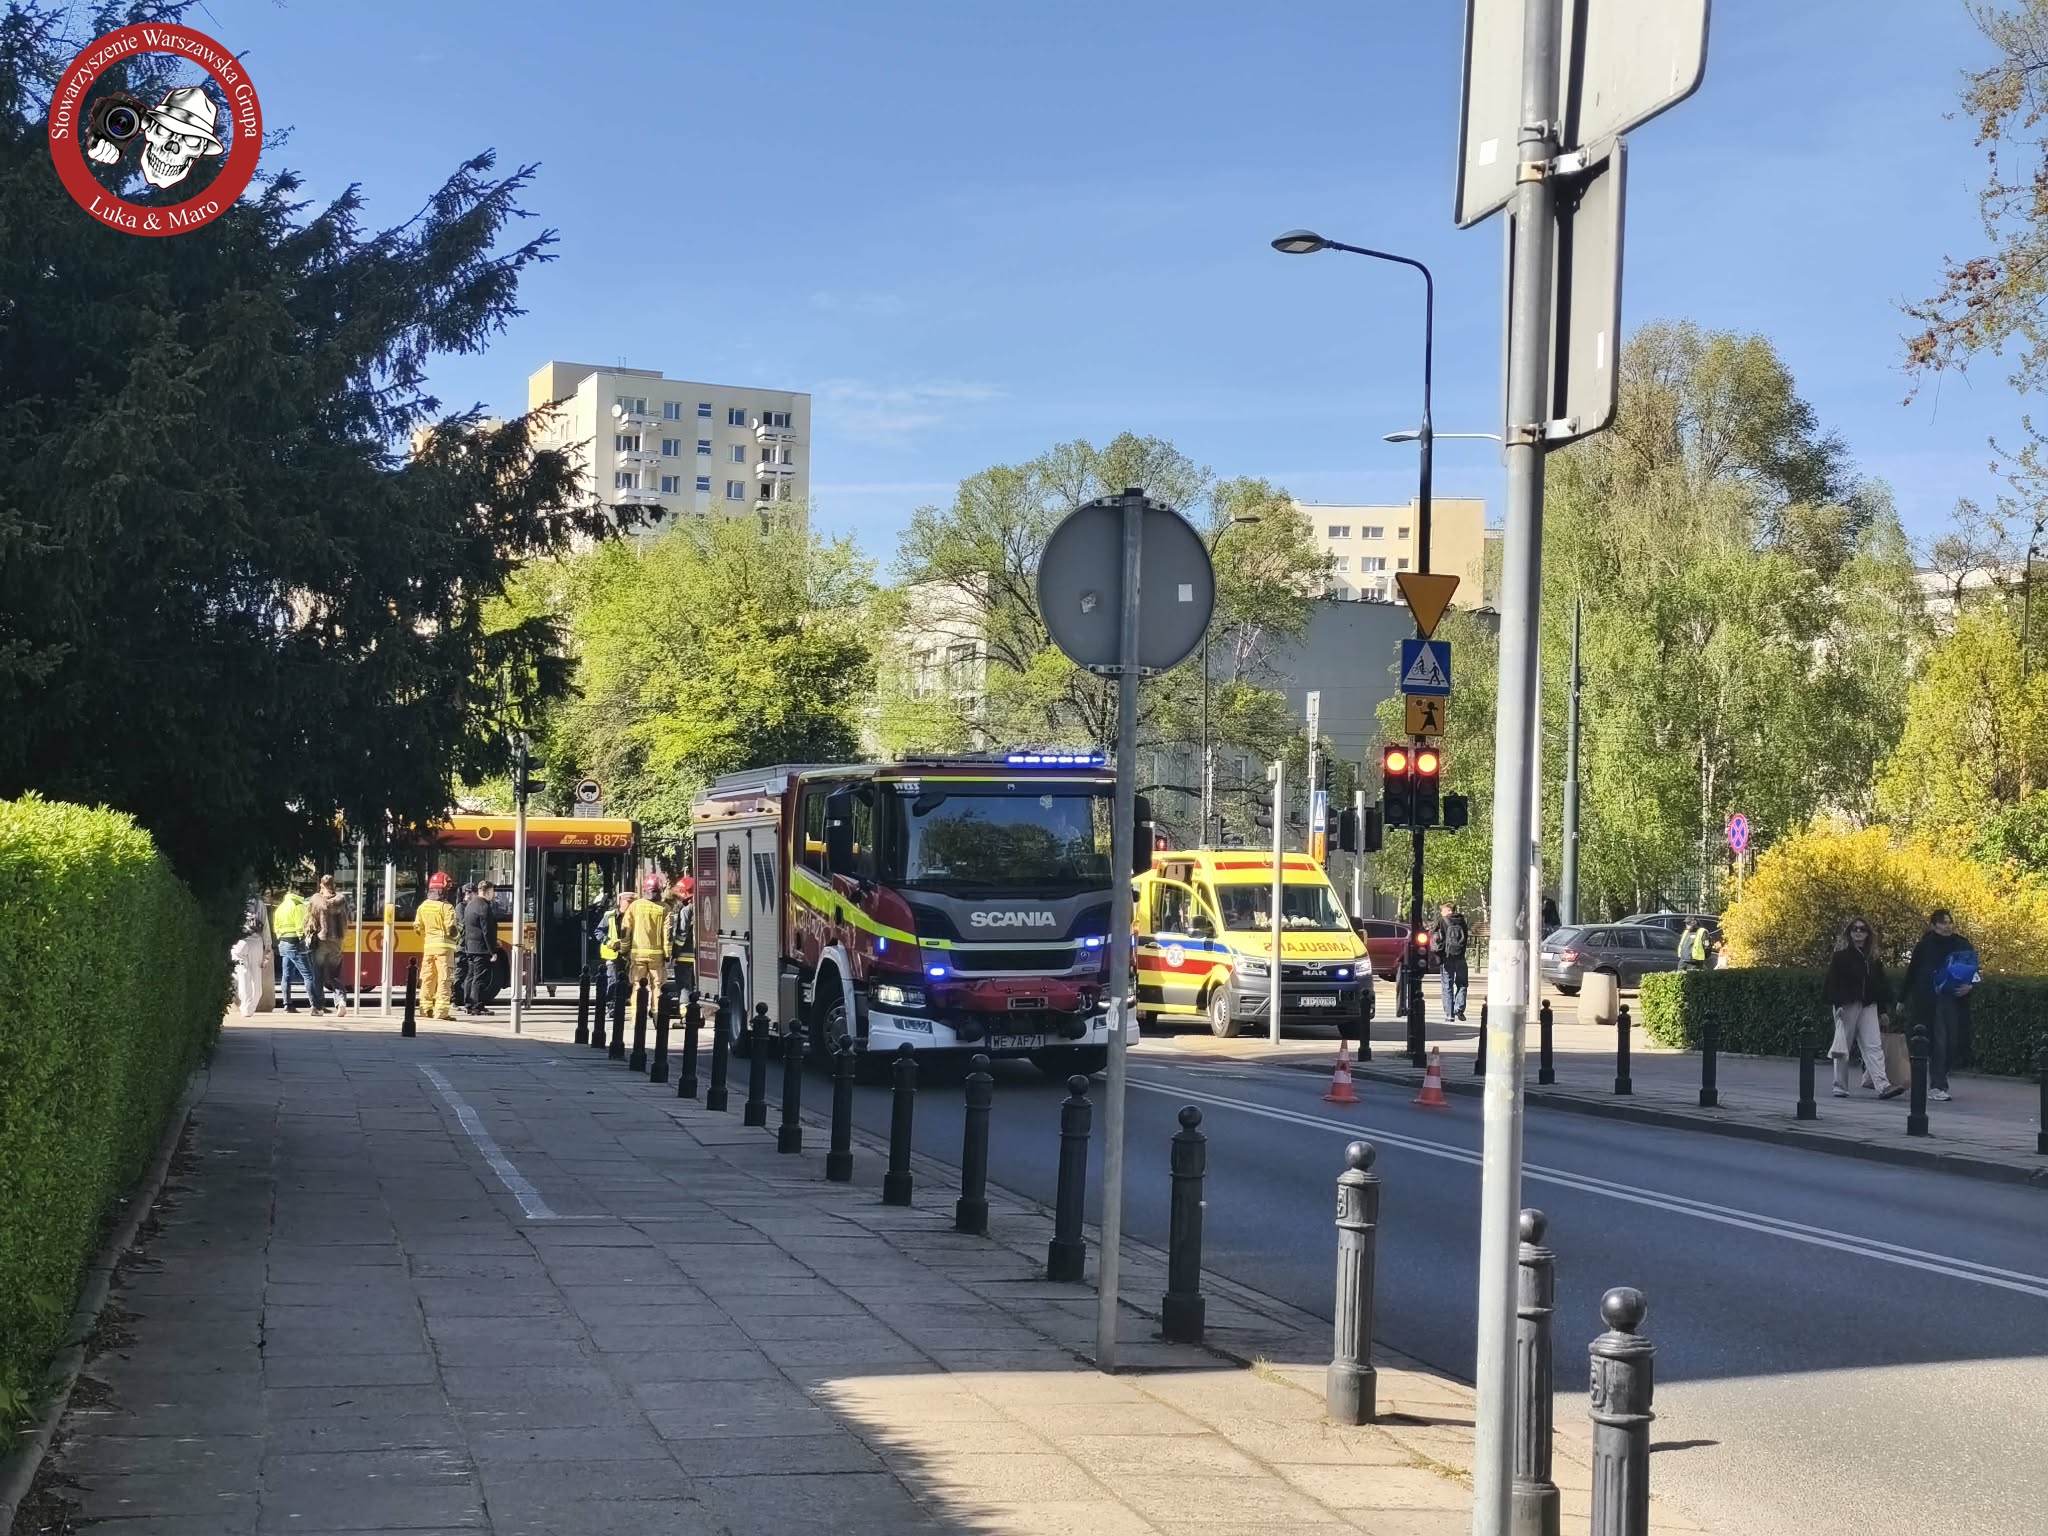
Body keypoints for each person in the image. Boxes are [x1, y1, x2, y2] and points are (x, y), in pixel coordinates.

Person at [1902, 909, 1977, 1102]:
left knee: (1953, 1041)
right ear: (1933, 926)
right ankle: (1938, 1085)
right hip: (1930, 1000)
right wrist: (1902, 998)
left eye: (1949, 922)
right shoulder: (1925, 946)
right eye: (1942, 923)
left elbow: (1975, 969)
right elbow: (1912, 973)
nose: (1947, 926)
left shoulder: (1962, 944)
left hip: (1954, 999)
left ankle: (1941, 1076)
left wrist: (1970, 986)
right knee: (1939, 1042)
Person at [1823, 916, 1901, 1100]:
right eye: (1855, 929)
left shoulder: (1872, 959)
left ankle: (1882, 1085)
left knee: (1874, 1044)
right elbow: (1834, 982)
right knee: (1843, 1045)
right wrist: (1838, 1004)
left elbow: (1879, 986)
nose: (1859, 932)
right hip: (1848, 1004)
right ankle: (1840, 1085)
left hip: (1868, 1005)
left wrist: (1882, 1010)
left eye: (1862, 929)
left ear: (1868, 934)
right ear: (1849, 933)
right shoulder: (1841, 956)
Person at [412, 871, 460, 1022]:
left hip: (428, 948)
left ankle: (425, 1009)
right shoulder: (447, 908)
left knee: (427, 979)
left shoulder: (423, 906)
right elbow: (451, 930)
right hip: (444, 950)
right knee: (444, 980)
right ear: (443, 890)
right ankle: (441, 1012)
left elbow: (417, 928)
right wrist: (459, 934)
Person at [272, 881, 327, 1014]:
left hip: (283, 943)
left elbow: (276, 927)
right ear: (297, 893)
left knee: (286, 976)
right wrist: (303, 939)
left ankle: (287, 1004)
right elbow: (300, 926)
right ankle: (315, 1006)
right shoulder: (297, 905)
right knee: (308, 975)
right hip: (294, 943)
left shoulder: (280, 907)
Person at [306, 874, 351, 1016]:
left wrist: (309, 932)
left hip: (321, 940)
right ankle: (341, 1001)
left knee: (317, 975)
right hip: (336, 940)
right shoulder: (341, 899)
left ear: (321, 885)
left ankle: (318, 1007)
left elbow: (309, 919)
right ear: (334, 884)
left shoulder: (316, 899)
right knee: (335, 974)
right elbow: (349, 918)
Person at [627, 871, 669, 1005]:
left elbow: (625, 929)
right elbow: (668, 933)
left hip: (637, 954)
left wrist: (623, 949)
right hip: (657, 956)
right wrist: (668, 953)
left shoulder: (635, 906)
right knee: (656, 986)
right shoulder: (665, 908)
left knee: (637, 986)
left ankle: (636, 1018)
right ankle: (657, 1015)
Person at [460, 880, 498, 1015]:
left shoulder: (470, 905)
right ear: (487, 891)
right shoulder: (484, 907)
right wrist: (492, 950)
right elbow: (487, 931)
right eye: (492, 892)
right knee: (480, 977)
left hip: (470, 947)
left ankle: (468, 1003)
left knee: (470, 976)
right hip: (481, 948)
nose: (494, 895)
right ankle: (477, 1005)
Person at [1429, 901, 1471, 1022]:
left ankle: (1449, 1014)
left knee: (1447, 986)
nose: (1441, 913)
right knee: (1462, 984)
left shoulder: (1442, 921)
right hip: (1461, 957)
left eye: (1442, 910)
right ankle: (1459, 1008)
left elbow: (1431, 932)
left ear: (1448, 910)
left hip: (1447, 957)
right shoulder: (1462, 921)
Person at [231, 897, 268, 1018]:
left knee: (242, 975)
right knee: (256, 976)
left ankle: (245, 1005)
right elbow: (265, 925)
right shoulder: (259, 903)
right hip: (255, 942)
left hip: (238, 943)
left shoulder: (234, 900)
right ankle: (249, 1008)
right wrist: (268, 946)